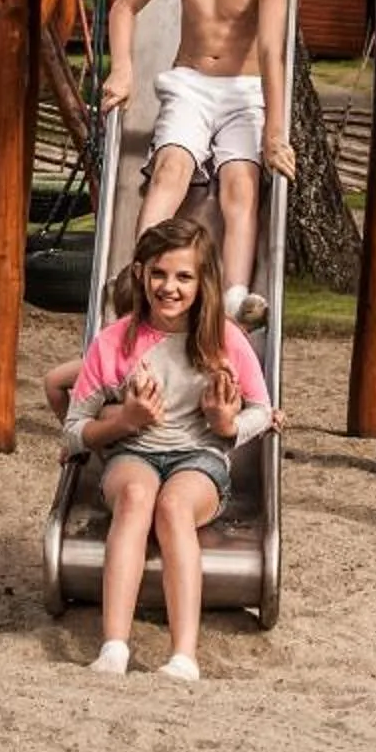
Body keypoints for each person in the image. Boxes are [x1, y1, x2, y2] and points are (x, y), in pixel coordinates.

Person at [61, 216, 273, 680]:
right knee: (138, 498)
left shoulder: (223, 340)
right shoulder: (116, 342)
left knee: (173, 506)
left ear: (203, 282)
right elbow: (74, 428)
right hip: (134, 452)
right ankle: (114, 646)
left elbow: (262, 409)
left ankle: (183, 655)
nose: (169, 287)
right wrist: (127, 421)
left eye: (183, 276)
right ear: (140, 274)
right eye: (159, 274)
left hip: (198, 456)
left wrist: (226, 423)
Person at [97, 0, 293, 330]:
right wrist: (123, 69)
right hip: (191, 85)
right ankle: (138, 272)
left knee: (240, 183)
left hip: (245, 92)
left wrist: (275, 131)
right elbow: (125, 6)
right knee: (171, 169)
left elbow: (270, 51)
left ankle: (234, 297)